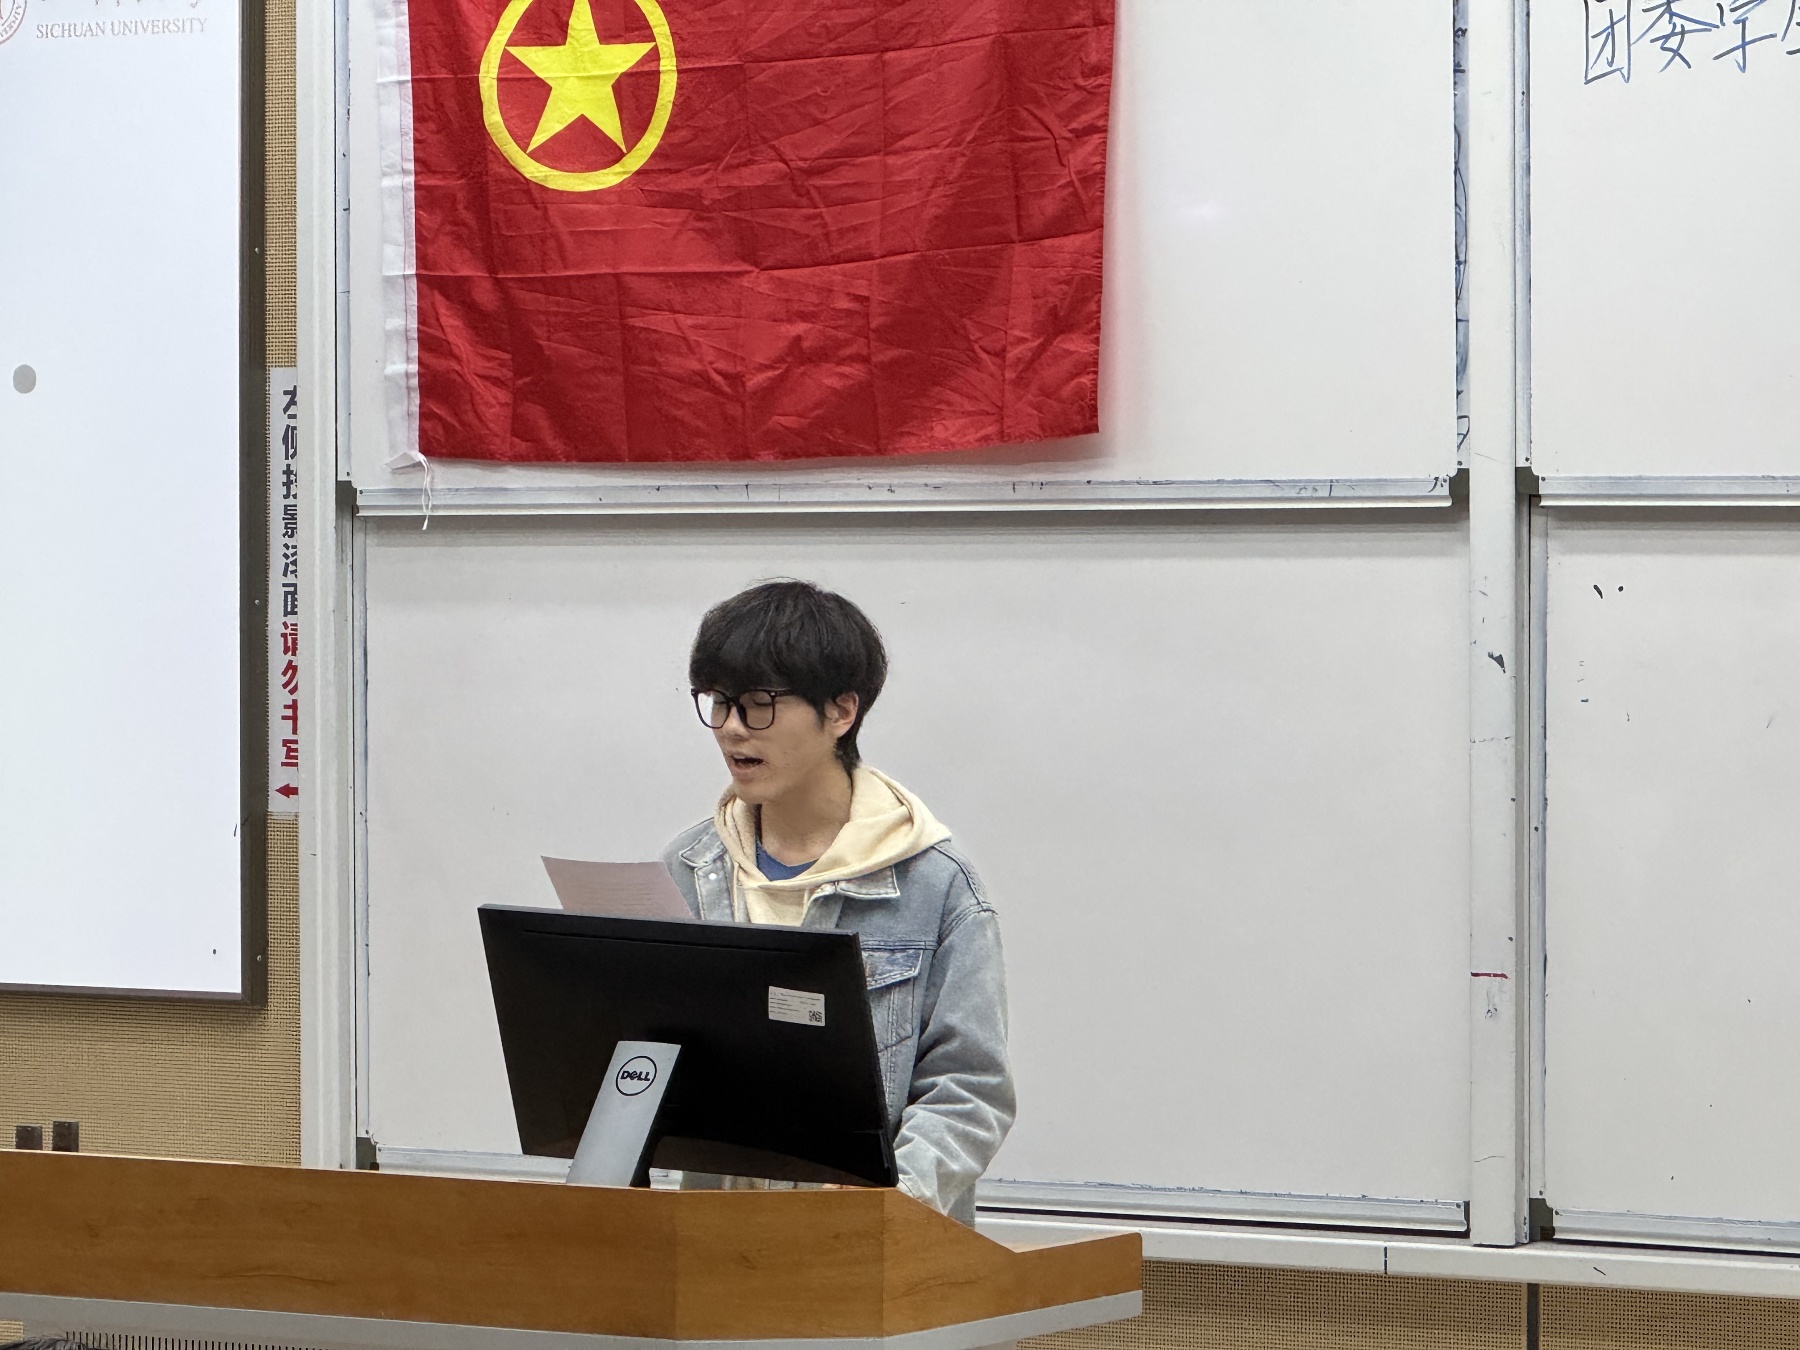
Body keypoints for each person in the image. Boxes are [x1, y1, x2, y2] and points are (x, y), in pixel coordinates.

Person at [661, 580, 1013, 1224]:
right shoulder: (688, 869)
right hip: (716, 1240)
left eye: (760, 704)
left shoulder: (935, 883)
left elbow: (970, 1089)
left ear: (841, 712)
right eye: (719, 702)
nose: (732, 728)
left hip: (875, 1249)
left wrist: (890, 1202)